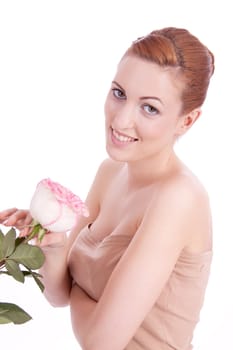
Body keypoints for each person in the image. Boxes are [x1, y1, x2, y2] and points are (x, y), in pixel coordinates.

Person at [0, 27, 214, 350]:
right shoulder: (110, 172)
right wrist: (54, 245)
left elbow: (100, 342)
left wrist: (77, 293)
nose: (121, 119)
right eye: (119, 93)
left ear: (187, 121)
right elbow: (57, 295)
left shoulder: (178, 198)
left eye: (150, 108)